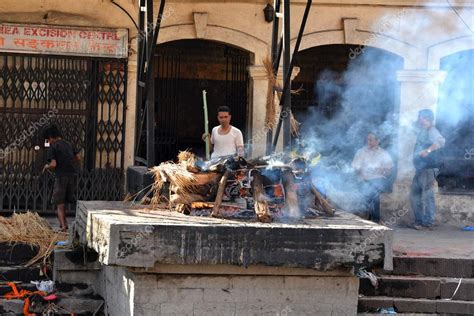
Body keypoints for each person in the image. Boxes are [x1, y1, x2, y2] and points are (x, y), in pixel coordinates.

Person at [410, 109, 445, 230]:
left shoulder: (432, 130)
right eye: (420, 117)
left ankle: (428, 222)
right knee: (415, 195)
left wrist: (428, 150)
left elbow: (441, 141)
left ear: (427, 119)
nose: (420, 119)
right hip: (421, 168)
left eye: (422, 117)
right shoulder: (423, 131)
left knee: (427, 195)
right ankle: (420, 221)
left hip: (428, 169)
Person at [42, 125, 80, 232]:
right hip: (72, 175)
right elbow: (78, 157)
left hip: (61, 176)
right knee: (69, 199)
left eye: (48, 139)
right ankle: (70, 222)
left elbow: (53, 164)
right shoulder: (68, 144)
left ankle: (64, 226)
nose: (48, 141)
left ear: (51, 137)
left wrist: (46, 166)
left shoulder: (53, 147)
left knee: (60, 203)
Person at [352, 132, 393, 223]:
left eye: (371, 140)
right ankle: (369, 218)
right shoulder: (361, 152)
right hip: (364, 179)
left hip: (378, 179)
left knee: (374, 192)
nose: (368, 142)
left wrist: (382, 169)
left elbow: (389, 170)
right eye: (368, 140)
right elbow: (355, 167)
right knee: (368, 193)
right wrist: (361, 169)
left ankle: (375, 219)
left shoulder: (383, 153)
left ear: (377, 141)